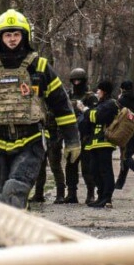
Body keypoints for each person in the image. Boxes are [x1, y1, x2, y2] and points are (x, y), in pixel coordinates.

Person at [0, 9, 80, 209]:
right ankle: (15, 235)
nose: (12, 39)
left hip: (32, 142)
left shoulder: (40, 67)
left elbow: (61, 106)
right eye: (7, 35)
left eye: (16, 34)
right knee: (5, 198)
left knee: (15, 189)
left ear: (24, 36)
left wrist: (73, 140)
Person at [84, 80, 119, 208]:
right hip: (95, 143)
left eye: (99, 90)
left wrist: (85, 110)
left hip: (104, 143)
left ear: (104, 91)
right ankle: (100, 196)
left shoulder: (110, 104)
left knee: (105, 171)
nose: (97, 92)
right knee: (94, 170)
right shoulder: (101, 103)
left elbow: (96, 117)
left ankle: (107, 197)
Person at [56, 67, 89, 204]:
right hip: (70, 135)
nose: (76, 83)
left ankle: (91, 193)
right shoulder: (67, 96)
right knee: (71, 166)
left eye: (79, 80)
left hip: (85, 135)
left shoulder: (89, 96)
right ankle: (71, 193)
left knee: (87, 167)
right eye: (74, 80)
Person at [77, 93, 99, 205]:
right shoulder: (84, 113)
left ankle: (92, 194)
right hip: (86, 142)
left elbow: (83, 125)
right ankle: (91, 194)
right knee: (87, 170)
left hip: (91, 142)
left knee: (90, 170)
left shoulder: (91, 112)